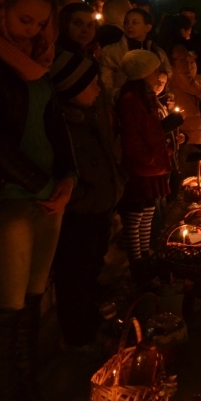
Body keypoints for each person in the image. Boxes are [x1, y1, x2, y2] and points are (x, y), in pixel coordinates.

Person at [0, 0, 77, 401]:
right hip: (12, 198)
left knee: (34, 300)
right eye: (24, 20)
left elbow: (55, 125)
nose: (34, 31)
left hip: (48, 198)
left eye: (41, 23)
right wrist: (42, 185)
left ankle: (29, 388)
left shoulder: (40, 63)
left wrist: (69, 177)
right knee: (8, 308)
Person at [48, 50, 124, 349]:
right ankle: (78, 336)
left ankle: (91, 326)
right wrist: (86, 194)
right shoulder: (65, 127)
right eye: (91, 84)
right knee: (75, 276)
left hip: (99, 207)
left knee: (91, 269)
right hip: (80, 213)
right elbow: (67, 169)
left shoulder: (90, 118)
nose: (98, 88)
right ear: (72, 88)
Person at [116, 50, 179, 278]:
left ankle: (145, 256)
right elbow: (132, 139)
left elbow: (153, 132)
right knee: (134, 217)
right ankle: (137, 264)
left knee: (147, 213)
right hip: (141, 168)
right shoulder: (131, 101)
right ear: (143, 73)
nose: (157, 75)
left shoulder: (147, 97)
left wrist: (165, 150)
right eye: (154, 71)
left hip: (152, 167)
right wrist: (153, 158)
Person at [99, 8, 171, 102]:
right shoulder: (111, 52)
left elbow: (167, 77)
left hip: (152, 105)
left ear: (148, 27)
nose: (129, 26)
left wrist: (167, 96)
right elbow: (105, 82)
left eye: (135, 23)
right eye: (126, 22)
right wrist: (120, 95)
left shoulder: (158, 53)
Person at [169, 45, 201, 175]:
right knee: (187, 153)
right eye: (188, 63)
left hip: (193, 113)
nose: (190, 66)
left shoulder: (181, 56)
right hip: (187, 114)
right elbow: (187, 84)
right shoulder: (179, 54)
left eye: (192, 62)